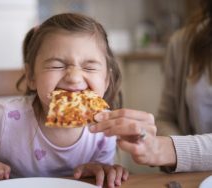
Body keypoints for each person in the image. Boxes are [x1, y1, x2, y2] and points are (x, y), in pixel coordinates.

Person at [0, 13, 129, 187]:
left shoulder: (106, 130)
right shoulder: (5, 118)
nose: (74, 77)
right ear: (31, 76)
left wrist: (100, 170)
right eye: (57, 65)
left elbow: (99, 177)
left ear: (106, 80)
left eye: (89, 67)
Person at [89, 0, 212, 173]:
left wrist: (170, 149)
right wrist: (155, 143)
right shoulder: (182, 43)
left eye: (88, 66)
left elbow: (168, 149)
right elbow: (166, 118)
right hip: (193, 177)